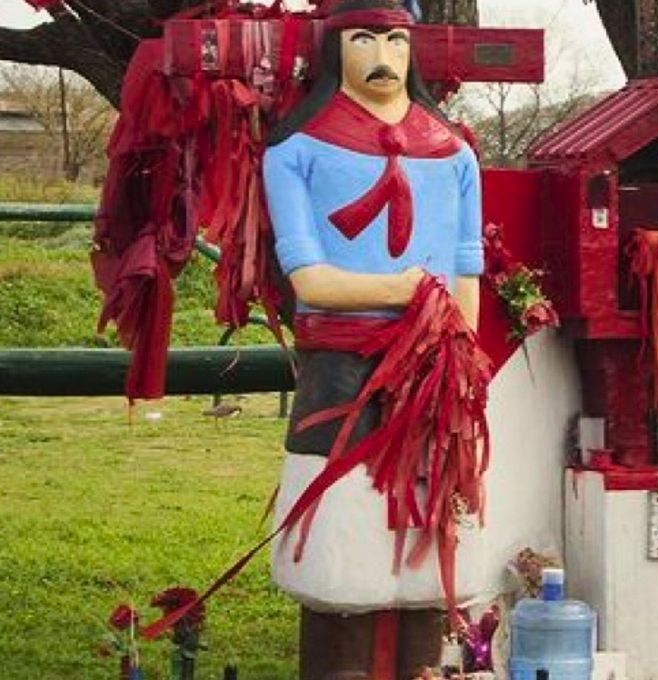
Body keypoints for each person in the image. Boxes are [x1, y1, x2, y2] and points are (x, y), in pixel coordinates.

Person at [262, 1, 486, 678]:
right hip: (341, 369)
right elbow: (311, 280)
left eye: (395, 37)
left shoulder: (453, 153)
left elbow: (467, 267)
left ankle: (422, 665)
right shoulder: (295, 150)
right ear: (336, 49)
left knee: (429, 535)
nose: (383, 54)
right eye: (364, 38)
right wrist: (414, 292)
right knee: (336, 538)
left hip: (436, 371)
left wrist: (460, 355)